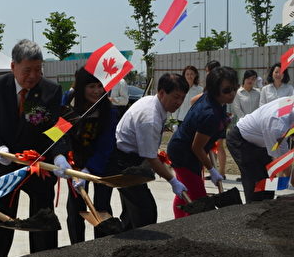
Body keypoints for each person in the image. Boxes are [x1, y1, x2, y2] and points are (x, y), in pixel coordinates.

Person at [0, 39, 70, 257]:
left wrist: (59, 154)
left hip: (39, 166)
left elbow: (56, 128)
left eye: (38, 69)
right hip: (6, 166)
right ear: (13, 66)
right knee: (2, 220)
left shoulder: (50, 90)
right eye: (27, 70)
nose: (33, 76)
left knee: (43, 220)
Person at [115, 73, 188, 229]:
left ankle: (128, 236)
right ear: (161, 93)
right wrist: (173, 181)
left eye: (182, 98)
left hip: (132, 158)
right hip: (125, 163)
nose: (179, 102)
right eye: (176, 97)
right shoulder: (150, 118)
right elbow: (151, 157)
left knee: (132, 212)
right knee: (145, 212)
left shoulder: (153, 102)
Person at [168, 66, 238, 218]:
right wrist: (212, 170)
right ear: (215, 90)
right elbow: (196, 147)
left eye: (235, 88)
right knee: (198, 196)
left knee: (185, 190)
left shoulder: (214, 99)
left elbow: (194, 100)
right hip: (183, 154)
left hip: (185, 148)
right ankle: (187, 225)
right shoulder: (210, 115)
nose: (232, 93)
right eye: (227, 90)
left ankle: (178, 221)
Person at [64, 68, 119, 243]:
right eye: (91, 86)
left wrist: (89, 169)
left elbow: (107, 144)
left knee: (102, 207)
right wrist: (65, 160)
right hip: (76, 164)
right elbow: (57, 132)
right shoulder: (69, 108)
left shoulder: (110, 112)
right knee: (75, 209)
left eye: (100, 86)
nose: (96, 91)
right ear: (81, 88)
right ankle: (77, 247)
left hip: (102, 164)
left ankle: (101, 246)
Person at [227, 96, 294, 203]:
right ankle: (253, 210)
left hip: (262, 139)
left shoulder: (291, 102)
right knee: (257, 184)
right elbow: (284, 163)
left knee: (268, 184)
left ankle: (267, 207)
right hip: (242, 141)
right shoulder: (277, 125)